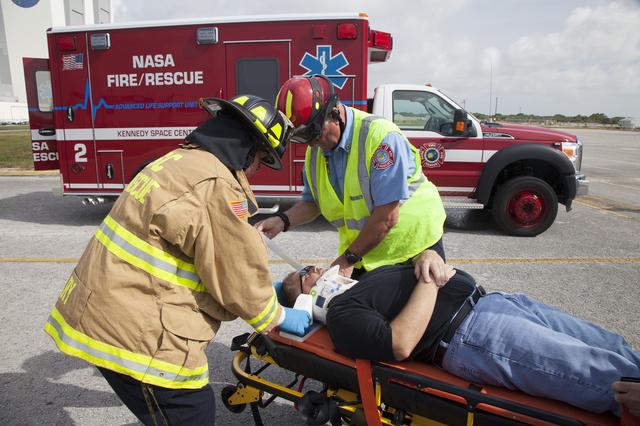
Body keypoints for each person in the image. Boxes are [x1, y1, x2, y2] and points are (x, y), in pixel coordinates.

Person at [44, 95, 314, 425]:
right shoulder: (216, 185)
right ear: (247, 147)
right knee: (190, 411)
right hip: (136, 331)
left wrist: (260, 296)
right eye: (261, 159)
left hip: (106, 309)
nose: (257, 170)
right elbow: (236, 271)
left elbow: (195, 253)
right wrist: (276, 314)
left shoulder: (176, 162)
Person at [279, 258, 640, 416]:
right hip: (473, 334)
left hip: (495, 303)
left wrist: (427, 256)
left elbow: (421, 265)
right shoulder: (341, 314)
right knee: (598, 374)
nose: (314, 267)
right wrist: (429, 278)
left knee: (613, 346)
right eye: (304, 274)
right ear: (306, 300)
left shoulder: (362, 281)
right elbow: (400, 342)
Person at [256, 75, 447, 283]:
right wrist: (282, 220)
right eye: (302, 138)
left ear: (334, 112)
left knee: (417, 303)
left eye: (314, 133)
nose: (311, 144)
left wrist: (346, 261)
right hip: (366, 251)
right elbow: (312, 203)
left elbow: (386, 217)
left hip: (413, 247)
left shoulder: (380, 137)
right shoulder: (316, 151)